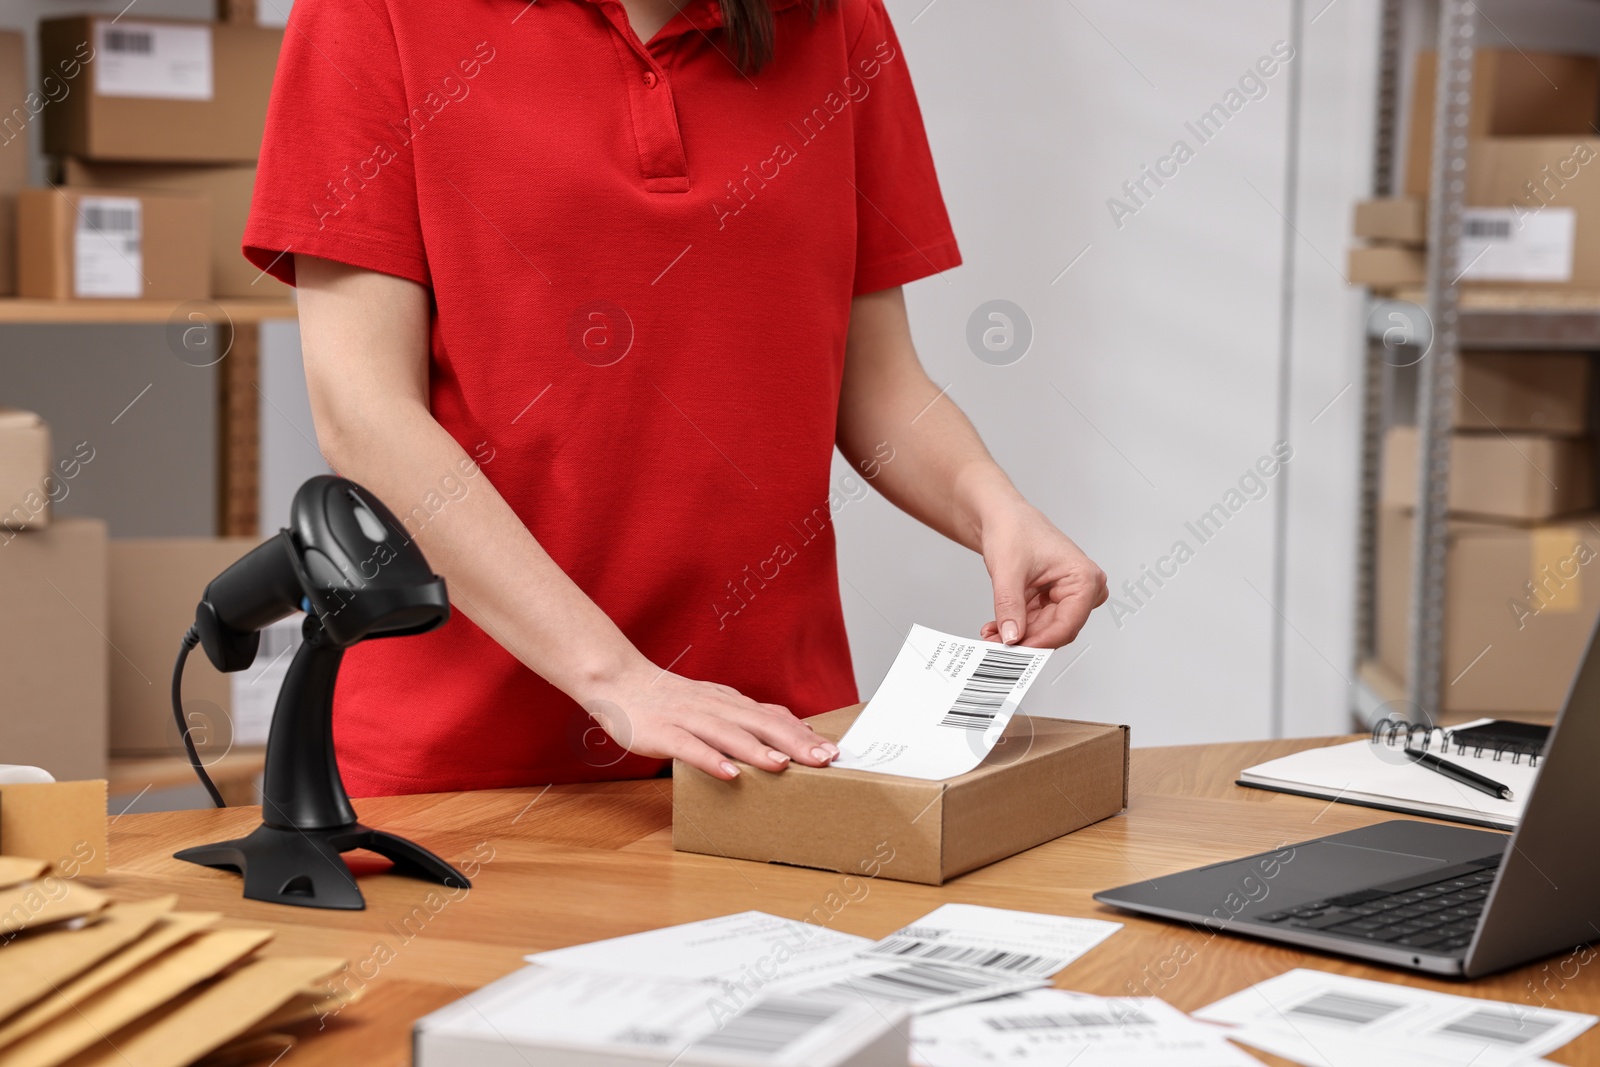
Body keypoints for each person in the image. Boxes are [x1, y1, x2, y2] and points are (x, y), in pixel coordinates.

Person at [242, 0, 1108, 797]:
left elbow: (876, 382)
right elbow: (366, 416)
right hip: (461, 769)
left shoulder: (834, 21)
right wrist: (620, 679)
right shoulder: (375, 15)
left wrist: (995, 509)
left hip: (770, 752)